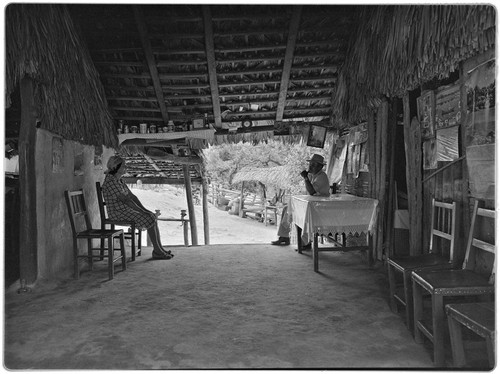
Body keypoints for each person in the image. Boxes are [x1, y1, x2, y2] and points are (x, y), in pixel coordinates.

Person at [102, 155, 174, 260]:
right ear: (116, 167)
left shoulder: (119, 180)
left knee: (151, 216)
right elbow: (126, 200)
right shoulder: (111, 182)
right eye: (123, 166)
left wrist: (145, 210)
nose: (125, 168)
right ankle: (157, 251)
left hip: (125, 211)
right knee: (149, 218)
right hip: (117, 213)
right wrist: (142, 212)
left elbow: (132, 197)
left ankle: (159, 249)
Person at [271, 153, 330, 247]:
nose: (310, 166)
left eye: (313, 165)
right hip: (310, 205)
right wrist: (307, 177)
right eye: (310, 164)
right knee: (287, 209)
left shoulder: (322, 176)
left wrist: (306, 178)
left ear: (320, 167)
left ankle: (305, 243)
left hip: (319, 209)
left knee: (304, 215)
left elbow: (312, 192)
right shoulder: (312, 175)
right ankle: (284, 237)